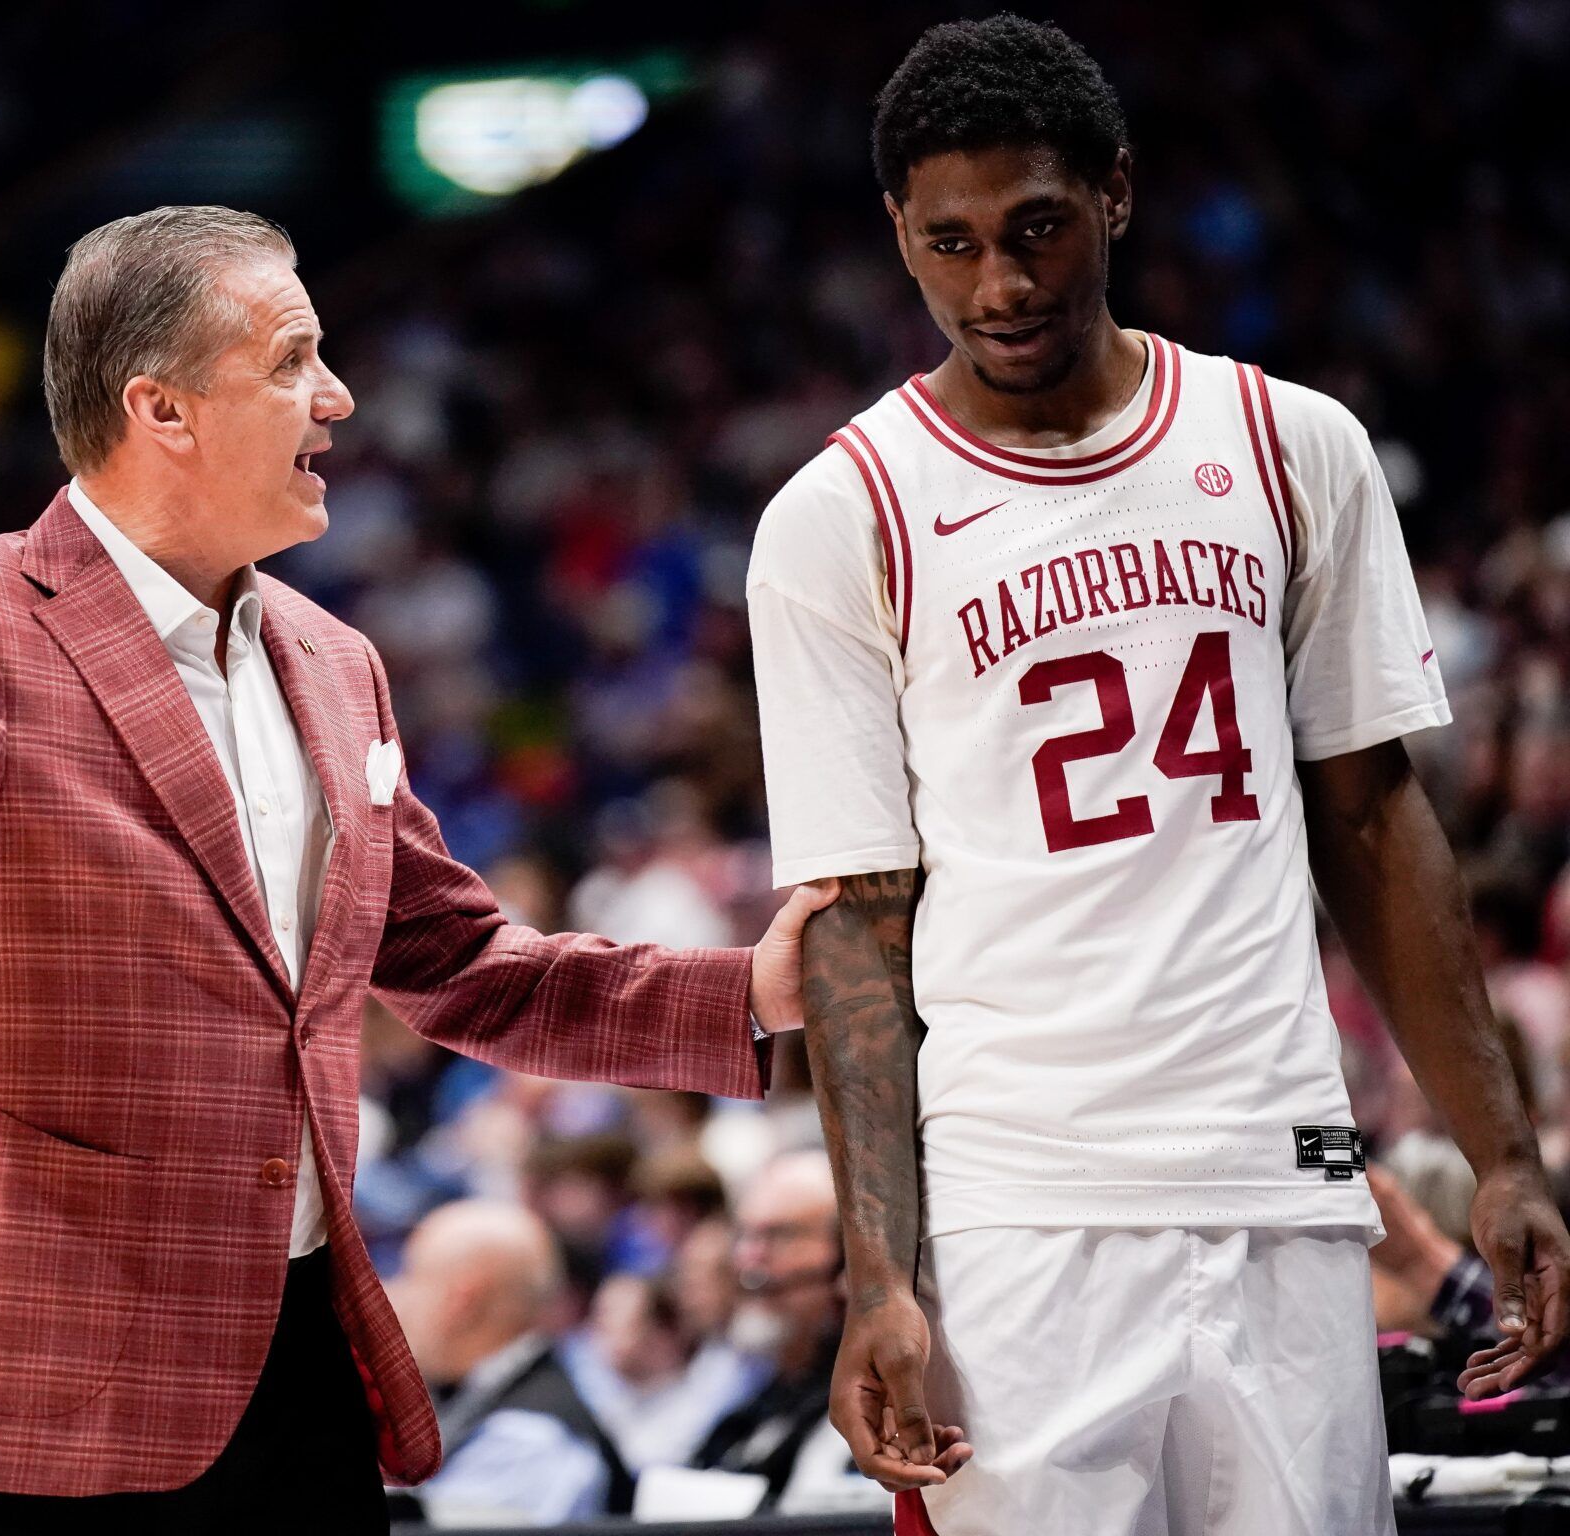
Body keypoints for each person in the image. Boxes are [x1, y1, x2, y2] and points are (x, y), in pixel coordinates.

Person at [0, 205, 835, 1535]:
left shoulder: (333, 661)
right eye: (295, 360)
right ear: (165, 410)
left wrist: (749, 993)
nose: (341, 395)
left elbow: (462, 963)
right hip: (31, 1391)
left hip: (290, 1364)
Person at [746, 17, 1570, 1536]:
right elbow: (859, 919)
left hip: (1282, 1170)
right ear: (899, 239)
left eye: (1038, 227)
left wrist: (1503, 1155)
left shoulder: (1290, 444)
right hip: (1019, 1209)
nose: (999, 284)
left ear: (1117, 194)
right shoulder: (838, 514)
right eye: (953, 242)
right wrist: (879, 1277)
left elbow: (1376, 821)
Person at [385, 1200, 624, 1525]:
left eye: (409, 1274)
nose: (391, 1295)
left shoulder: (529, 1440)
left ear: (459, 1301)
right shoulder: (475, 1393)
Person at [692, 1150, 856, 1512]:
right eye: (745, 1236)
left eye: (779, 1235)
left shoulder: (870, 1407)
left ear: (851, 1255)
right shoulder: (753, 1398)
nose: (749, 1261)